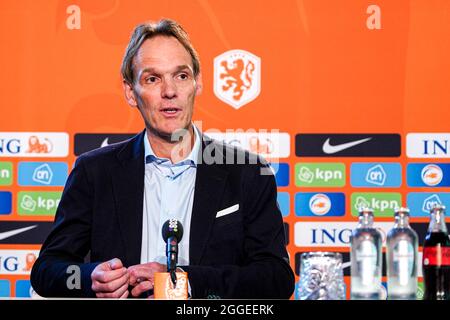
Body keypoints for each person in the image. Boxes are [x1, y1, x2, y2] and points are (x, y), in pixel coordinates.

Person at [30, 18, 294, 299]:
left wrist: (187, 283)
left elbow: (276, 279)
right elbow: (47, 271)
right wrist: (90, 278)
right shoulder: (94, 172)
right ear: (131, 93)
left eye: (181, 75)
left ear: (198, 82)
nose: (170, 91)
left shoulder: (247, 172)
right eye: (152, 79)